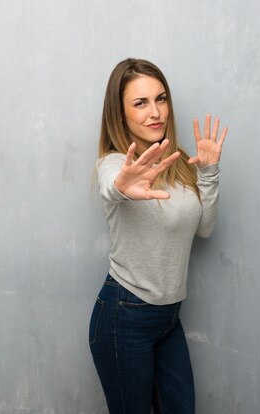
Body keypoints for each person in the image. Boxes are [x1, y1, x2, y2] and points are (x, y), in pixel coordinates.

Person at [88, 58, 228, 413]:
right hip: (125, 315)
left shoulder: (178, 165)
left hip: (168, 319)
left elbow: (205, 229)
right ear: (120, 115)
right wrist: (122, 187)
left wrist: (209, 174)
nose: (156, 112)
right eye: (140, 103)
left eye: (160, 99)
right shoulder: (116, 164)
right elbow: (110, 185)